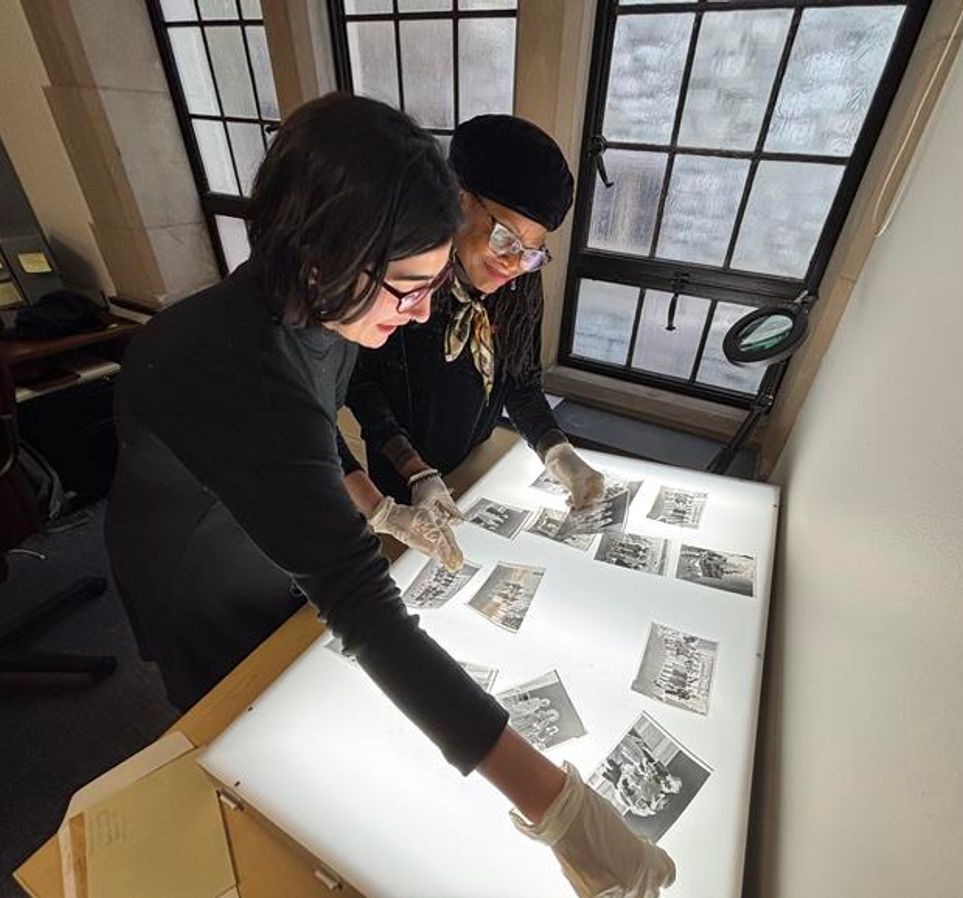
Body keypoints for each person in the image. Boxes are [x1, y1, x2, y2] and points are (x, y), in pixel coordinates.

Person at [106, 93, 673, 898]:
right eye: (408, 288)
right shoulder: (231, 364)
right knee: (237, 734)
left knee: (303, 675)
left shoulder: (314, 303)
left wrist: (376, 500)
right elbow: (358, 599)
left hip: (268, 519)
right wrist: (558, 808)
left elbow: (312, 438)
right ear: (324, 260)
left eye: (432, 283)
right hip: (198, 567)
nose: (417, 315)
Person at [346, 114, 605, 533]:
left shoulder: (519, 284)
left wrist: (559, 453)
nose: (513, 263)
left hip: (477, 464)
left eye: (532, 251)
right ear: (458, 200)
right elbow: (360, 383)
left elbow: (519, 380)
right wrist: (414, 470)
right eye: (504, 237)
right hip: (404, 476)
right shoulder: (408, 279)